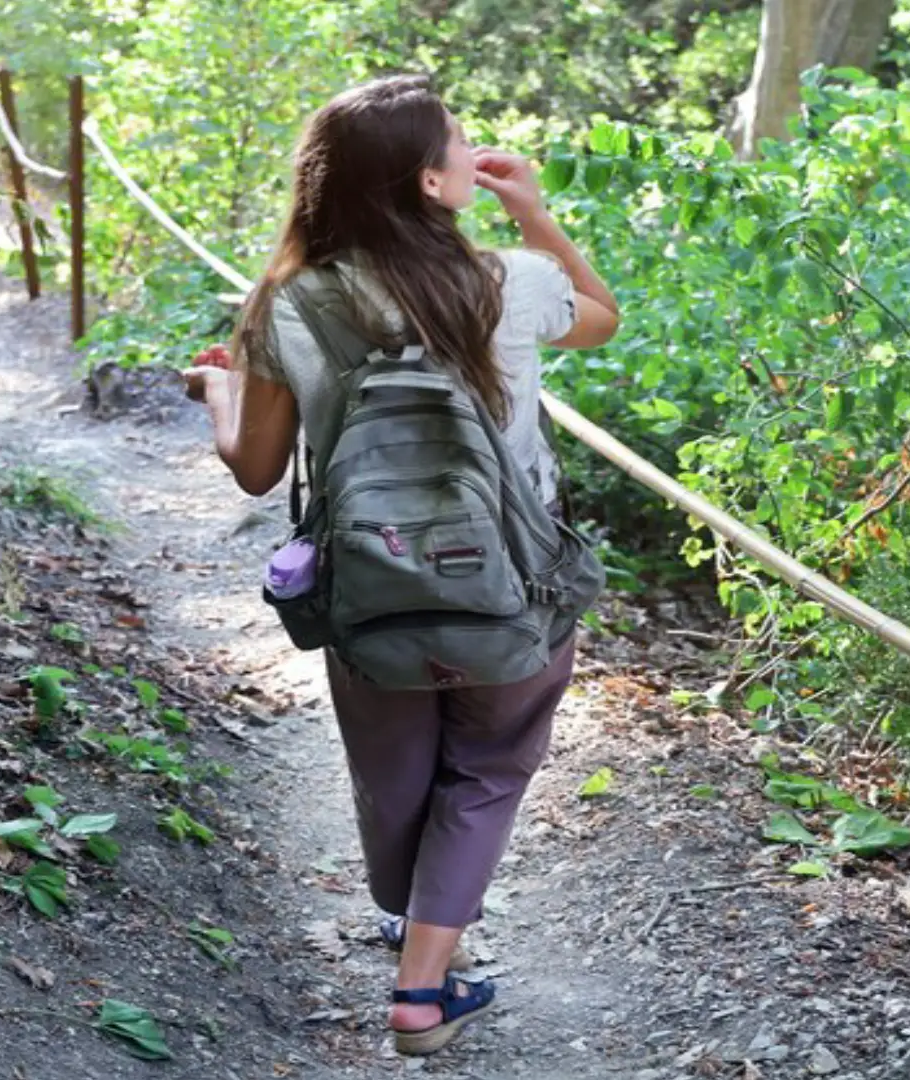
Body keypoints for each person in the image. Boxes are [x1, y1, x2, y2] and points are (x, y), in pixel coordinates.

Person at [181, 74, 620, 1055]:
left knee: (394, 765)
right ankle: (423, 991)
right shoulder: (506, 282)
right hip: (514, 581)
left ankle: (410, 923)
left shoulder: (285, 303)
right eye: (460, 144)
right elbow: (601, 313)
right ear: (428, 182)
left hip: (370, 586)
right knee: (490, 768)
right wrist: (534, 210)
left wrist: (217, 392)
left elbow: (256, 470)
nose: (474, 153)